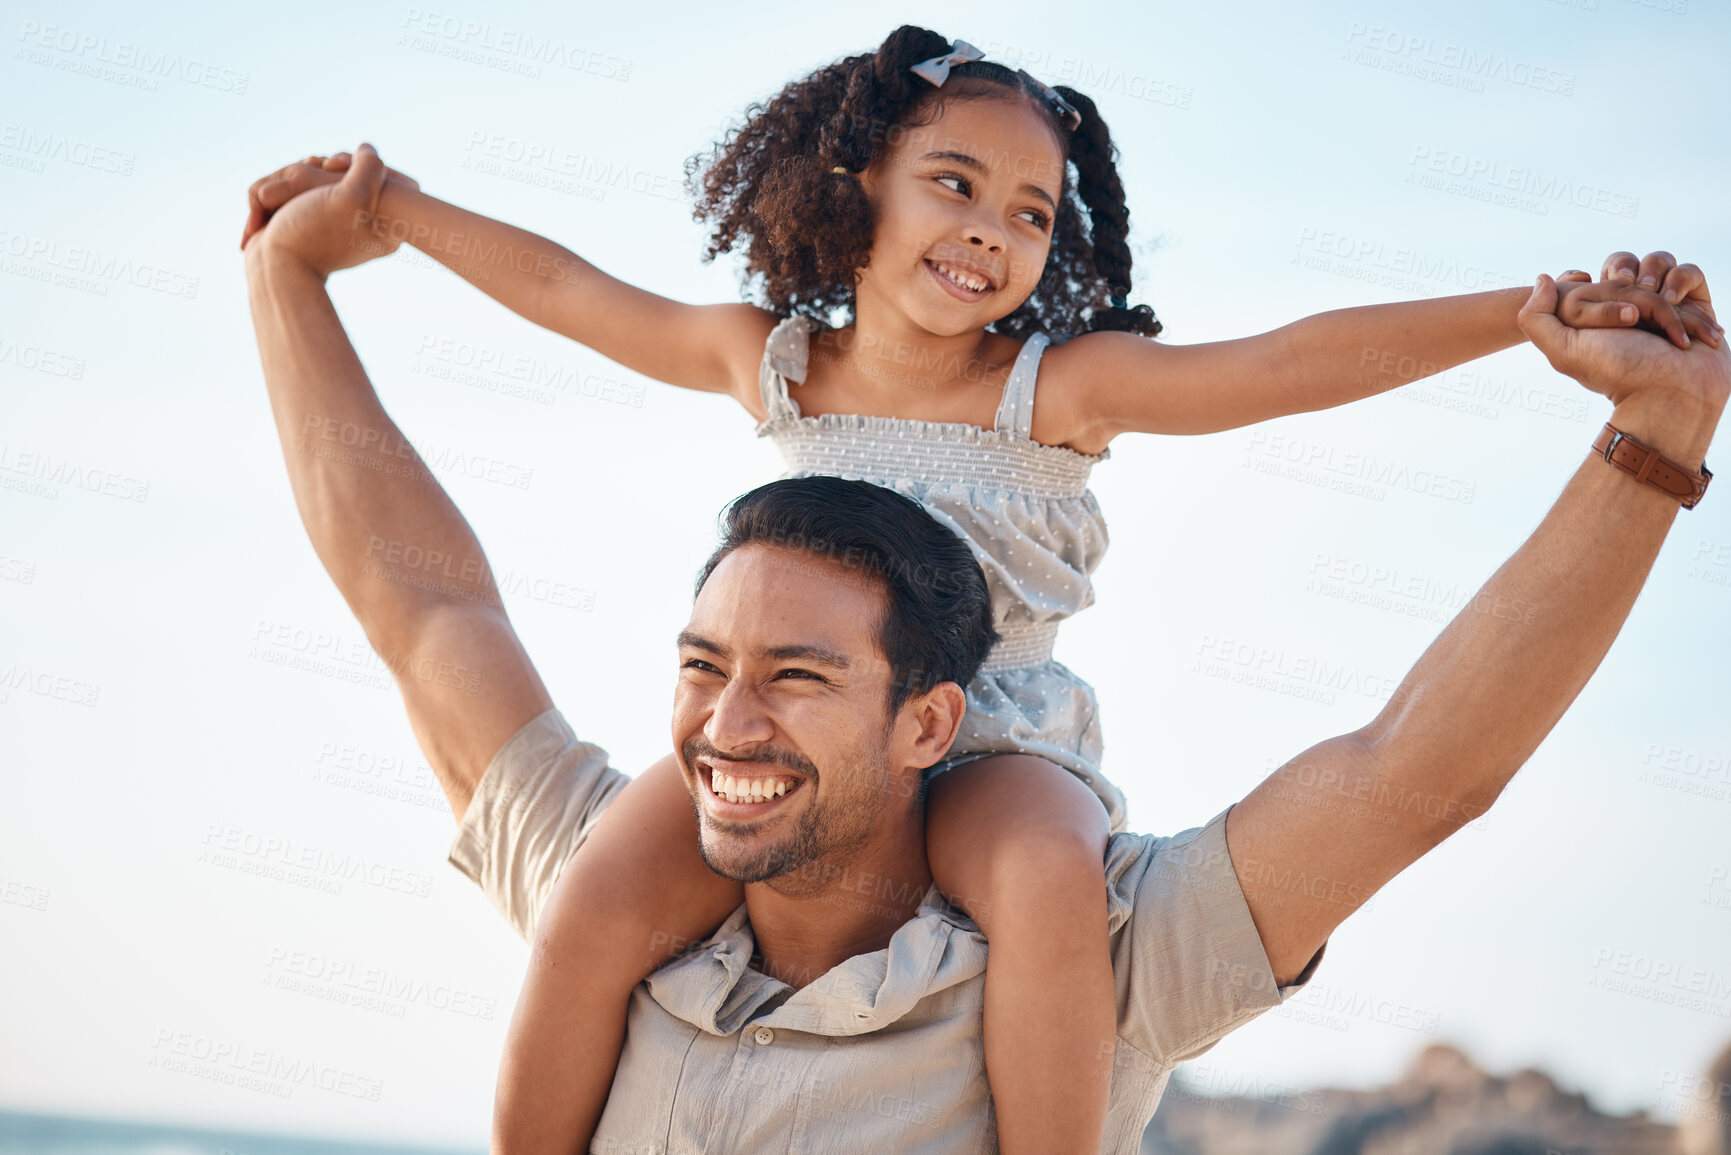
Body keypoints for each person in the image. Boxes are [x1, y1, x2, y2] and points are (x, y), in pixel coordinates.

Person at [236, 26, 1721, 1152]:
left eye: (1029, 210)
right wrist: (390, 219)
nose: (990, 230)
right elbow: (567, 307)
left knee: (1042, 885)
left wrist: (1530, 321)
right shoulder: (772, 360)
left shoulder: (1054, 389)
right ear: (853, 187)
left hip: (1003, 733)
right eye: (955, 182)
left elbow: (1281, 368)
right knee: (596, 896)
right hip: (845, 749)